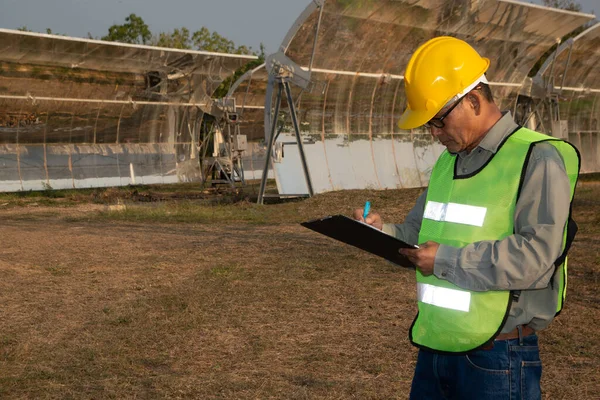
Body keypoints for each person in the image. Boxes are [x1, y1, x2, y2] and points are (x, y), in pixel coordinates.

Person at [353, 36, 580, 399]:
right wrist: (382, 232)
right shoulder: (448, 162)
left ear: (473, 100)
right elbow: (419, 231)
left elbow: (537, 257)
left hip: (497, 357)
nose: (434, 134)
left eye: (439, 121)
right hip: (437, 347)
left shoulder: (537, 159)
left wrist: (443, 260)